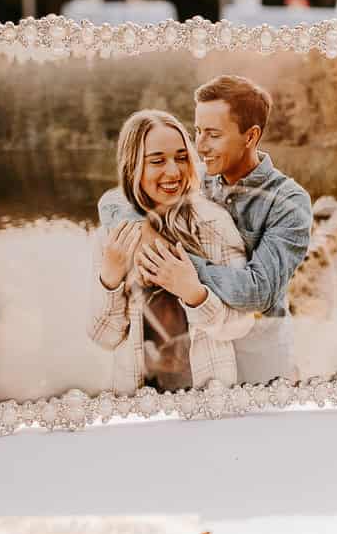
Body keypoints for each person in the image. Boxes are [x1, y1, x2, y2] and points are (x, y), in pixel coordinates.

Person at [98, 75, 313, 383]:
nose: (199, 146)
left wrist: (171, 263)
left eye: (213, 134)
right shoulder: (198, 178)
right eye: (197, 131)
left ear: (250, 136)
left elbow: (258, 291)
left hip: (258, 360)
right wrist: (142, 232)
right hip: (205, 353)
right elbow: (112, 201)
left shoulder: (288, 201)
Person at [87, 110, 254, 393]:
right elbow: (104, 338)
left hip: (208, 393)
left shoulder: (215, 224)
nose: (174, 171)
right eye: (157, 161)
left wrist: (194, 294)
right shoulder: (111, 238)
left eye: (181, 157)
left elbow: (240, 324)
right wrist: (111, 278)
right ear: (132, 167)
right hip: (140, 401)